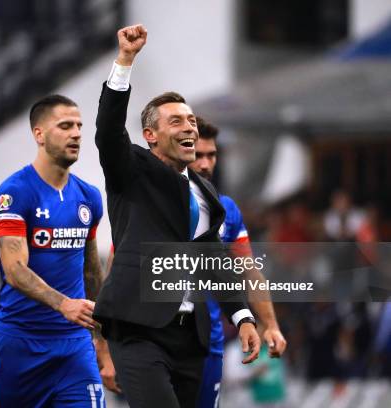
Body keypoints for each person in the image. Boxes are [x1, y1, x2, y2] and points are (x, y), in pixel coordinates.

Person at [92, 25, 260, 408]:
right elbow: (108, 132)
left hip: (191, 336)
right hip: (139, 330)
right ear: (150, 135)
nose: (189, 127)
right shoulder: (131, 170)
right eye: (176, 122)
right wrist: (125, 61)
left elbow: (214, 259)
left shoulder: (205, 192)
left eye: (192, 122)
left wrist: (243, 316)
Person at [0, 95, 106, 407]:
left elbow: (91, 271)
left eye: (79, 126)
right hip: (19, 345)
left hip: (75, 346)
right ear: (39, 134)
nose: (77, 133)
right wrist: (63, 303)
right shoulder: (14, 193)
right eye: (65, 126)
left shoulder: (89, 196)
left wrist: (105, 342)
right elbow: (13, 270)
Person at [188, 116, 287, 408]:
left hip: (209, 341)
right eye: (197, 155)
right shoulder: (151, 202)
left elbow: (248, 271)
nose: (205, 164)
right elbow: (121, 262)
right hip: (157, 339)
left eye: (211, 155)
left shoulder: (227, 210)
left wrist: (269, 324)